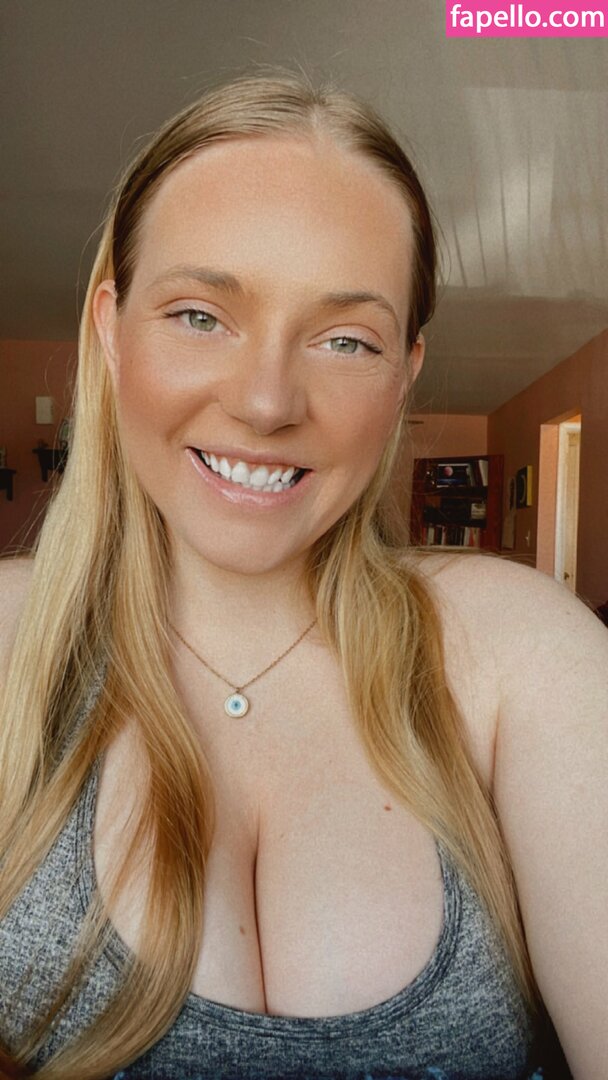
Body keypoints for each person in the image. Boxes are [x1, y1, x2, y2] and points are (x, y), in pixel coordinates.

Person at [0, 67, 606, 1080]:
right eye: (200, 315)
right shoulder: (10, 646)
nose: (268, 401)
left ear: (405, 374)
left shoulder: (520, 652)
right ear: (111, 327)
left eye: (344, 339)